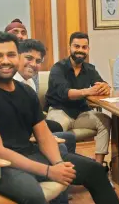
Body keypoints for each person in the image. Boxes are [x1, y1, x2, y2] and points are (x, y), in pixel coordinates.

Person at [0, 31, 119, 204]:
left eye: (11, 55)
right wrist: (49, 171)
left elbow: (44, 136)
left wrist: (58, 163)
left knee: (94, 170)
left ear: (17, 58)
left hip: (29, 154)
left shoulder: (26, 92)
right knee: (32, 195)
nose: (5, 60)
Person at [45, 32, 111, 165]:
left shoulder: (90, 69)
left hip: (81, 113)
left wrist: (105, 87)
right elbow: (65, 93)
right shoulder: (58, 68)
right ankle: (59, 165)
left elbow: (101, 84)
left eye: (84, 47)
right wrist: (87, 91)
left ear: (88, 49)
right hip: (60, 111)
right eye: (77, 46)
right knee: (54, 130)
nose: (80, 50)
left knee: (106, 121)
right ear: (69, 47)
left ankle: (98, 166)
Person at [0, 19, 38, 90]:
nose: (20, 36)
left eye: (23, 33)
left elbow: (35, 92)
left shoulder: (32, 63)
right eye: (15, 32)